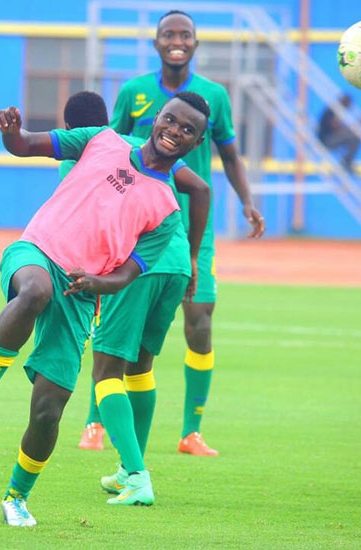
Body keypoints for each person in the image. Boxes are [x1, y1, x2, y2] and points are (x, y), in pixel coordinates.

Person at [0, 92, 211, 526]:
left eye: (187, 130)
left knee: (49, 408)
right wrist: (10, 134)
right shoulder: (102, 139)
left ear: (196, 143)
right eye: (171, 120)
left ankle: (16, 497)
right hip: (37, 251)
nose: (175, 131)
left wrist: (97, 283)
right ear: (157, 118)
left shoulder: (168, 210)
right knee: (35, 291)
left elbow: (129, 274)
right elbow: (25, 145)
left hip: (81, 293)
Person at [108, 10, 265, 457]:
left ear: (196, 44)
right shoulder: (133, 93)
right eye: (168, 34)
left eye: (185, 35)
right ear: (156, 43)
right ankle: (96, 421)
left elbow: (231, 156)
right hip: (136, 224)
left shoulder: (214, 96)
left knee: (199, 321)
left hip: (192, 226)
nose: (177, 41)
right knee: (118, 321)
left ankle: (190, 431)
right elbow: (109, 147)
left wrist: (247, 201)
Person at [60, 91, 213, 505]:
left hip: (140, 264)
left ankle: (138, 476)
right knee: (141, 368)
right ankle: (129, 468)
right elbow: (200, 189)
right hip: (175, 261)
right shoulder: (146, 156)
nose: (174, 130)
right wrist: (194, 258)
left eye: (185, 127)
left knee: (106, 369)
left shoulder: (116, 150)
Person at [317, 93, 361, 174]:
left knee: (356, 138)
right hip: (326, 140)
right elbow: (335, 126)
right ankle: (346, 163)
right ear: (344, 102)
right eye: (348, 104)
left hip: (334, 139)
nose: (349, 107)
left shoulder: (340, 112)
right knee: (352, 134)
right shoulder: (331, 111)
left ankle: (347, 161)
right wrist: (358, 123)